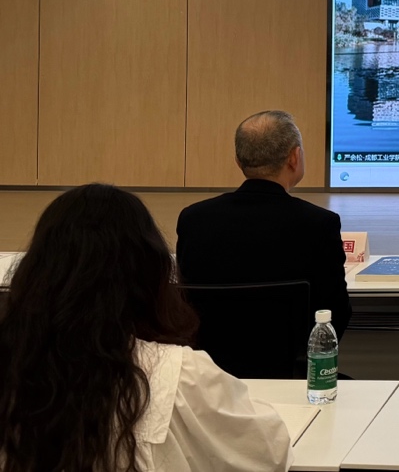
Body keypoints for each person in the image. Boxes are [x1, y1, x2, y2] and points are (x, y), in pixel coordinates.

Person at [0, 184, 291, 472]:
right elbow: (269, 450)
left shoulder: (13, 371)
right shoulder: (179, 376)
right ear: (148, 273)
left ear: (37, 272)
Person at [177, 110, 351, 336]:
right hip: (293, 357)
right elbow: (336, 312)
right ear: (294, 157)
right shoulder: (319, 224)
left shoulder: (193, 219)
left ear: (238, 161)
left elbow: (185, 305)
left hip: (207, 357)